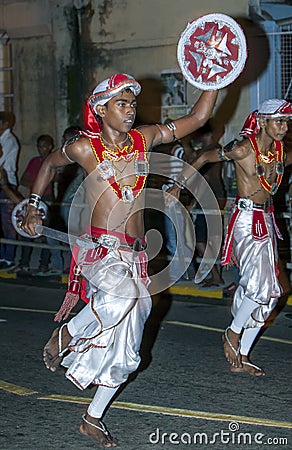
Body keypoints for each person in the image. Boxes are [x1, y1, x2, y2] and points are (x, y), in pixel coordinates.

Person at [21, 73, 219, 447]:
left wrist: (215, 78)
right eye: (121, 104)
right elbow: (48, 165)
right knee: (126, 297)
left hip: (135, 254)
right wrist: (34, 205)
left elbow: (196, 119)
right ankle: (64, 334)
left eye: (132, 104)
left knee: (128, 349)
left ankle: (92, 417)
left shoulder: (144, 139)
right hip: (100, 250)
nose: (130, 111)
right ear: (100, 108)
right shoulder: (84, 148)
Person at [168, 98, 292, 377]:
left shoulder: (281, 153)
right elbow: (201, 157)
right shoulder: (241, 148)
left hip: (267, 220)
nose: (284, 127)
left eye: (286, 122)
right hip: (247, 221)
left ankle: (243, 353)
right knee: (261, 289)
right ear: (262, 122)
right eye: (279, 121)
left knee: (271, 295)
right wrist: (178, 187)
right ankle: (232, 333)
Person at [11, 134, 63, 275]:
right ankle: (24, 264)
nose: (43, 149)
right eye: (40, 146)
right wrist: (38, 185)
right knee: (26, 231)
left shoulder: (55, 160)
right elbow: (23, 180)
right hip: (34, 200)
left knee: (45, 233)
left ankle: (44, 265)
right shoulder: (34, 162)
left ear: (51, 146)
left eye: (45, 146)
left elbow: (59, 178)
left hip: (47, 200)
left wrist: (45, 180)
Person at [0, 111, 19, 270]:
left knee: (8, 223)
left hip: (7, 184)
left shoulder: (9, 140)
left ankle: (9, 259)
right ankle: (3, 256)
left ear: (5, 124)